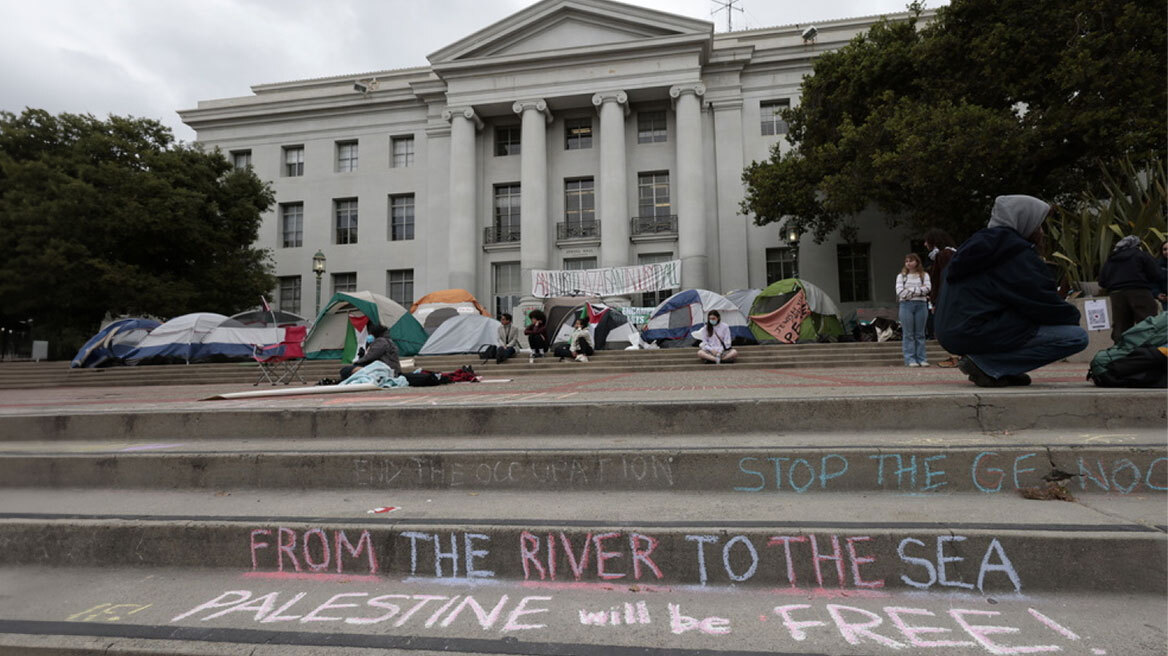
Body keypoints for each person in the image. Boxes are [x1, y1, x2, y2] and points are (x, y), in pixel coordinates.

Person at [935, 194, 1087, 387]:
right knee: (1076, 337)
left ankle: (1002, 369)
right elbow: (1041, 302)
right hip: (974, 330)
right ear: (1025, 221)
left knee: (1020, 320)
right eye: (1038, 225)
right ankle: (988, 365)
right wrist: (1072, 317)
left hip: (952, 332)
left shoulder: (974, 247)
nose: (1041, 232)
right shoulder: (1013, 253)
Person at [1100, 236, 1161, 344]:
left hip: (1116, 294)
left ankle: (1121, 352)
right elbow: (1156, 273)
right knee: (1147, 322)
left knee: (1120, 325)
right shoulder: (1140, 255)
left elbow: (1102, 281)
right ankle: (1148, 351)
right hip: (1139, 291)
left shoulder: (1112, 259)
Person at [923, 228, 960, 367]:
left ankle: (955, 356)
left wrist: (937, 299)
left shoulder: (944, 255)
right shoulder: (949, 253)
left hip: (946, 298)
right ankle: (955, 356)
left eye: (927, 241)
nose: (925, 244)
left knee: (945, 327)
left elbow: (943, 279)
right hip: (947, 297)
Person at [896, 253, 931, 367]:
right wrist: (918, 291)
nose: (908, 263)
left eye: (911, 261)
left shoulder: (924, 275)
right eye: (906, 261)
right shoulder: (901, 276)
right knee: (908, 333)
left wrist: (910, 291)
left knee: (920, 333)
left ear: (917, 262)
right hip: (906, 305)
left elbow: (927, 288)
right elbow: (900, 292)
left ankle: (922, 358)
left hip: (921, 304)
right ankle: (910, 359)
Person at [1157, 240, 1168, 310]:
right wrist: (1157, 294)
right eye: (1165, 249)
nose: (1167, 251)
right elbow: (1153, 283)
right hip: (1165, 302)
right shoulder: (1158, 265)